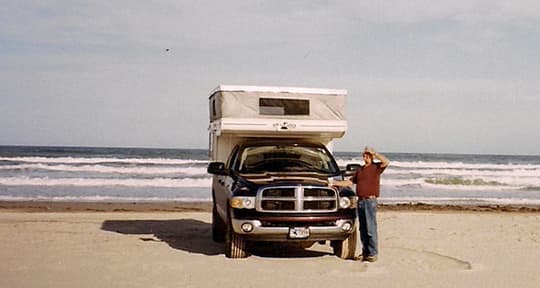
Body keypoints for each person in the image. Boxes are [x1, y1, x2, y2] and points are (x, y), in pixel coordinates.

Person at [331, 146, 389, 262]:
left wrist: (375, 153)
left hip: (370, 201)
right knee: (362, 229)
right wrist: (335, 183)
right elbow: (350, 182)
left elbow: (386, 162)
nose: (366, 157)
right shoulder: (360, 170)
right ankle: (365, 252)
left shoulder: (376, 167)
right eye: (364, 155)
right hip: (361, 201)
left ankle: (372, 253)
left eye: (368, 156)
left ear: (372, 157)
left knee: (370, 228)